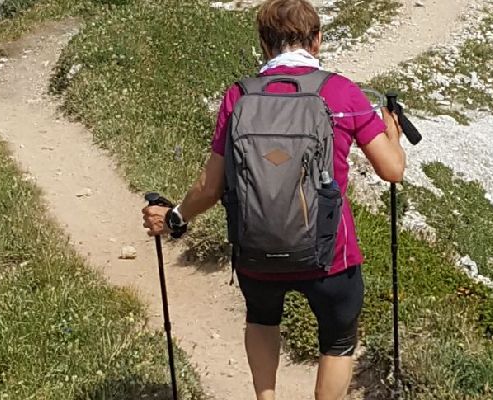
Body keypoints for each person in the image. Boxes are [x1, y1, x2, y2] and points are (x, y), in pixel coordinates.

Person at [140, 0, 407, 399]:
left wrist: (175, 217)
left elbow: (210, 187)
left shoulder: (238, 96)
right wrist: (394, 137)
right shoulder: (342, 92)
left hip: (256, 251)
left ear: (264, 44)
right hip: (331, 254)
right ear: (316, 41)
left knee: (262, 318)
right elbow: (392, 170)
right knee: (337, 341)